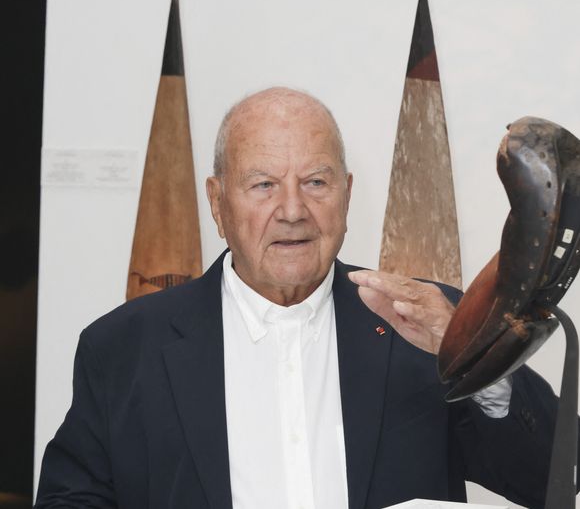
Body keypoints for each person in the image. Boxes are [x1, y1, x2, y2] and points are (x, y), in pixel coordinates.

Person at [36, 87, 563, 509]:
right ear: (217, 203)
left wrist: (476, 360)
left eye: (315, 181)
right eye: (263, 184)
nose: (293, 210)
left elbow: (551, 480)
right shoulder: (123, 347)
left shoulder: (425, 322)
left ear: (347, 194)